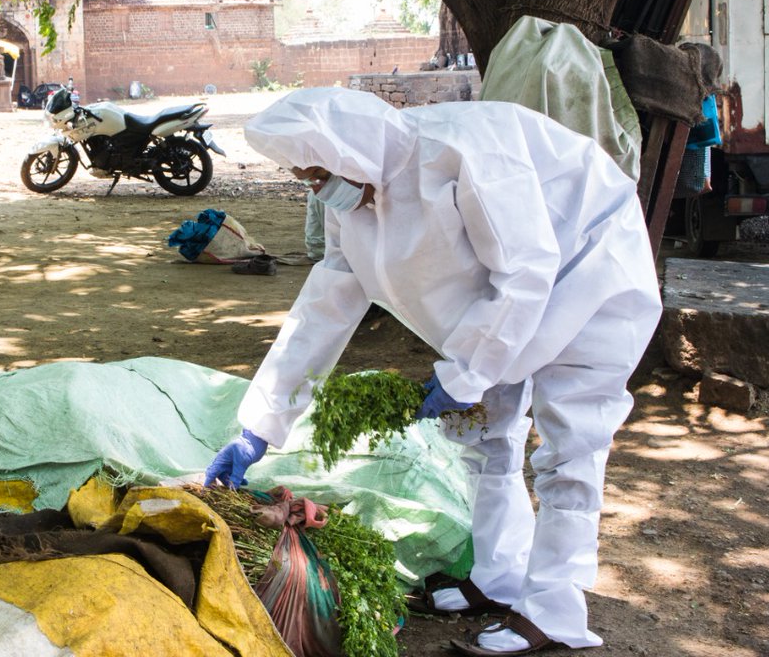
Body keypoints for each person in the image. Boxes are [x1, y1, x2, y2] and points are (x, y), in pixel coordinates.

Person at [204, 87, 662, 656]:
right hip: (499, 312)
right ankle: (498, 578)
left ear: (351, 146)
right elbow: (325, 306)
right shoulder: (355, 200)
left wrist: (466, 370)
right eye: (304, 175)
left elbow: (527, 271)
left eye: (318, 169)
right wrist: (260, 426)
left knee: (571, 447)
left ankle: (555, 612)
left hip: (588, 271)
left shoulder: (460, 152)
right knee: (486, 439)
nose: (316, 185)